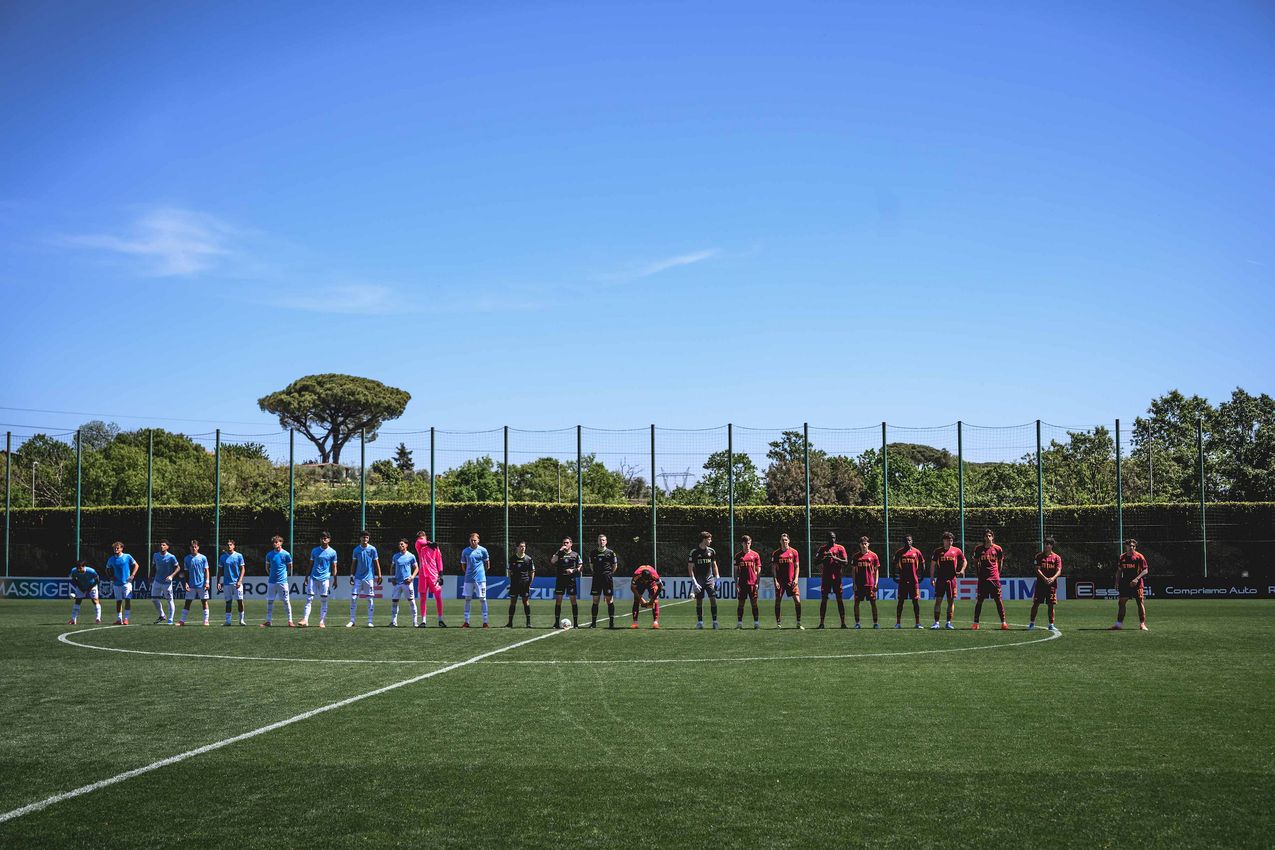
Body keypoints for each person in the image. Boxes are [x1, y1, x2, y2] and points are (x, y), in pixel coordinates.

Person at [971, 528, 1009, 631]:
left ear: (992, 537)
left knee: (998, 600)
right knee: (979, 601)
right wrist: (978, 573)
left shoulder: (997, 549)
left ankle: (1003, 622)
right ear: (984, 537)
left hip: (994, 579)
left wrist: (997, 573)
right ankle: (976, 623)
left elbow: (1000, 562)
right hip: (983, 579)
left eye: (989, 536)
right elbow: (975, 562)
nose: (988, 538)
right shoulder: (978, 549)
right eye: (986, 536)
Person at [300, 531, 338, 628]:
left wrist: (335, 579)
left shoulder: (333, 552)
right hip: (313, 577)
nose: (323, 539)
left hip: (325, 579)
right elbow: (310, 564)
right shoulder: (315, 551)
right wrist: (306, 577)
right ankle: (305, 619)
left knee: (324, 600)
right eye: (322, 537)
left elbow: (334, 566)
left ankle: (322, 621)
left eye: (326, 538)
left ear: (329, 539)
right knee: (309, 599)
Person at [1111, 538, 1150, 631]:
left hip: (1137, 583)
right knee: (1121, 603)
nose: (1132, 547)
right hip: (1125, 583)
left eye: (1133, 546)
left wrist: (1136, 579)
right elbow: (1119, 571)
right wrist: (1117, 582)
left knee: (1140, 602)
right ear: (1126, 547)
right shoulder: (1122, 557)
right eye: (1130, 546)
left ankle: (1142, 624)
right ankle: (1118, 624)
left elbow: (1145, 570)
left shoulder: (1140, 557)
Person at [930, 532, 966, 630]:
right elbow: (933, 565)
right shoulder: (938, 551)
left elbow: (964, 560)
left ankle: (948, 622)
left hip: (952, 580)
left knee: (951, 601)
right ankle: (936, 622)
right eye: (948, 540)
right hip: (941, 579)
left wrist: (962, 570)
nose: (950, 542)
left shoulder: (956, 550)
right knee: (938, 601)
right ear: (943, 540)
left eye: (951, 540)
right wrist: (932, 578)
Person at [815, 531, 849, 629]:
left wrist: (834, 557)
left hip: (837, 578)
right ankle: (821, 623)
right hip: (826, 578)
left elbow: (846, 562)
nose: (832, 539)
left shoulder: (840, 548)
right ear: (827, 538)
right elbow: (816, 562)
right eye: (830, 538)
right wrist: (824, 559)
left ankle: (843, 623)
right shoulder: (822, 549)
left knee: (839, 600)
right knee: (824, 600)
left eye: (833, 537)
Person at [1028, 537, 1062, 632]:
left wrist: (1052, 578)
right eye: (1045, 544)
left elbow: (1059, 571)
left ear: (1051, 546)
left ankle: (1051, 624)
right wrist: (1045, 578)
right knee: (1036, 604)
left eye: (1048, 544)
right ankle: (1031, 623)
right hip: (1040, 585)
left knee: (1051, 605)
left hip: (1052, 585)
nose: (1046, 546)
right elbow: (1037, 569)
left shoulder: (1057, 558)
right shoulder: (1038, 556)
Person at [348, 531, 381, 628]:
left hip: (369, 578)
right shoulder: (356, 550)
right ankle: (352, 620)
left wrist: (379, 575)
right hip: (358, 578)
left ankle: (370, 621)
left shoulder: (372, 549)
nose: (365, 539)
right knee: (353, 598)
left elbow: (376, 562)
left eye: (366, 537)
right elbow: (353, 563)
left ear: (368, 539)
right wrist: (351, 575)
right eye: (363, 537)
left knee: (370, 599)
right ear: (360, 538)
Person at [688, 531, 720, 630]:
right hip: (699, 581)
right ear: (704, 539)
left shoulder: (711, 551)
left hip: (710, 579)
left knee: (713, 600)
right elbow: (690, 567)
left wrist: (717, 577)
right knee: (699, 601)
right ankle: (700, 622)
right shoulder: (694, 552)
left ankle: (715, 622)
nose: (711, 541)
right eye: (709, 539)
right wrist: (694, 581)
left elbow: (714, 565)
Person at [771, 533, 803, 629]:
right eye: (782, 540)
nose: (784, 541)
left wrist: (796, 578)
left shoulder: (794, 552)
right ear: (780, 541)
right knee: (778, 601)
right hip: (780, 582)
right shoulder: (776, 554)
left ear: (788, 541)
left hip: (791, 581)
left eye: (786, 540)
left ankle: (798, 622)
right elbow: (773, 568)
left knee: (797, 601)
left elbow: (797, 567)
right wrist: (775, 581)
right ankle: (778, 623)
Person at [262, 535, 295, 628]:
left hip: (282, 582)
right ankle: (268, 621)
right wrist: (271, 575)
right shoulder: (269, 555)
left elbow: (290, 567)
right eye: (273, 542)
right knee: (270, 601)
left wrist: (285, 575)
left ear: (281, 542)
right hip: (272, 581)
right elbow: (267, 567)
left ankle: (290, 621)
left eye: (277, 542)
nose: (275, 544)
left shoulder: (286, 554)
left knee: (286, 601)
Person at [414, 531, 446, 628]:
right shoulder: (420, 546)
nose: (421, 539)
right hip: (423, 576)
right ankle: (423, 621)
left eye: (422, 537)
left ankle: (440, 619)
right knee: (423, 598)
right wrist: (428, 543)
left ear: (426, 537)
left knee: (438, 597)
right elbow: (419, 542)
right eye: (419, 538)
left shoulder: (435, 547)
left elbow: (439, 560)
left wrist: (441, 574)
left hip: (434, 575)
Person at [893, 535, 924, 629]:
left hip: (913, 581)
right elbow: (893, 564)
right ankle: (898, 623)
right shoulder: (899, 552)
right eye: (906, 540)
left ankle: (917, 623)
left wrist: (921, 576)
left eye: (909, 540)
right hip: (902, 581)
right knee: (900, 602)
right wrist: (894, 576)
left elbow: (922, 564)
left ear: (912, 541)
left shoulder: (917, 552)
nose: (908, 542)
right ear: (903, 542)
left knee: (915, 602)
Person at [177, 539, 210, 626]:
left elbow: (206, 570)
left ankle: (206, 620)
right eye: (192, 547)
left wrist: (207, 582)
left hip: (202, 584)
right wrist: (186, 583)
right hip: (191, 585)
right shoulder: (187, 558)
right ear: (190, 548)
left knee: (204, 602)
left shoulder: (203, 558)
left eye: (195, 547)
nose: (194, 548)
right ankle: (182, 621)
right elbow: (186, 572)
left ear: (198, 547)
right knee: (187, 602)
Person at [589, 533, 620, 629]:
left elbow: (615, 566)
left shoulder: (611, 553)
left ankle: (611, 623)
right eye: (600, 540)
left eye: (603, 540)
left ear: (606, 541)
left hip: (607, 578)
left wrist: (609, 573)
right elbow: (591, 566)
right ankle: (593, 623)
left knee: (609, 600)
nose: (601, 541)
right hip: (597, 578)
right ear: (597, 541)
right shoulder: (593, 553)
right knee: (595, 600)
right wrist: (597, 573)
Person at [460, 532, 490, 628]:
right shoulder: (465, 551)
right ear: (469, 540)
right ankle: (466, 622)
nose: (473, 542)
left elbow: (487, 564)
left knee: (483, 599)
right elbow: (463, 564)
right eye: (471, 540)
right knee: (467, 599)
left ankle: (485, 622)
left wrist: (481, 573)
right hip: (468, 579)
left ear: (478, 540)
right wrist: (468, 573)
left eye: (475, 540)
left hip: (480, 579)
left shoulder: (483, 550)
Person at [550, 536, 581, 629]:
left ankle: (575, 624)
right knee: (558, 600)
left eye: (567, 543)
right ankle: (556, 623)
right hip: (560, 580)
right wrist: (559, 550)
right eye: (564, 543)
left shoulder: (575, 554)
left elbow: (580, 567)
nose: (565, 544)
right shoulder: (559, 553)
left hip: (571, 580)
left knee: (573, 600)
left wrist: (573, 570)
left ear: (571, 544)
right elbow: (552, 561)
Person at [851, 536, 881, 628]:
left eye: (865, 543)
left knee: (873, 603)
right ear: (859, 545)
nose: (864, 545)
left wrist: (876, 583)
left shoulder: (873, 556)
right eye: (862, 544)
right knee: (856, 604)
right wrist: (854, 583)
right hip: (859, 585)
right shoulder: (856, 556)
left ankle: (875, 623)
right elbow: (853, 571)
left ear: (868, 544)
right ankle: (857, 623)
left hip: (870, 584)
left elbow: (876, 570)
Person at [388, 539, 419, 627]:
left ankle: (415, 622)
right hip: (397, 583)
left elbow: (416, 568)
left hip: (407, 583)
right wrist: (392, 577)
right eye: (399, 544)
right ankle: (394, 622)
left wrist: (412, 577)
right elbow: (392, 567)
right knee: (394, 602)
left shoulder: (411, 556)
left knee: (411, 602)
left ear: (406, 545)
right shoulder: (395, 556)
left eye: (402, 544)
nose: (400, 546)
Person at [106, 541, 138, 625]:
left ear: (121, 548)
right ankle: (119, 619)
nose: (116, 549)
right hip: (116, 584)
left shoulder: (127, 556)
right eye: (114, 548)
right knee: (118, 601)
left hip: (126, 583)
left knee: (127, 600)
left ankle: (126, 619)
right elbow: (107, 568)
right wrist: (110, 576)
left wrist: (132, 575)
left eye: (117, 548)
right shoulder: (111, 559)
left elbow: (136, 565)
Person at [734, 535, 762, 630]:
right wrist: (736, 583)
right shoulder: (738, 556)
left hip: (753, 583)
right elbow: (736, 571)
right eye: (745, 543)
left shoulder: (755, 555)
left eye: (749, 543)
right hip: (742, 583)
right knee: (741, 603)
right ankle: (739, 623)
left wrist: (757, 582)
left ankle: (756, 623)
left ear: (751, 543)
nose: (747, 545)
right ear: (742, 544)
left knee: (754, 603)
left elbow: (758, 570)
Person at [217, 539, 247, 626]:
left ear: (233, 546)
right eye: (227, 545)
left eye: (230, 545)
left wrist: (240, 580)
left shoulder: (239, 556)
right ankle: (228, 621)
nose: (229, 546)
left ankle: (241, 620)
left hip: (237, 583)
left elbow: (242, 569)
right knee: (228, 602)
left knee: (240, 601)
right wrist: (218, 582)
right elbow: (219, 570)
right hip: (226, 583)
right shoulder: (222, 557)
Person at [507, 541, 536, 628]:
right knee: (513, 602)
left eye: (524, 546)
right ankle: (510, 623)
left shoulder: (528, 559)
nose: (522, 548)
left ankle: (528, 623)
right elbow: (509, 571)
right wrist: (511, 581)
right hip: (515, 583)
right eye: (521, 546)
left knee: (525, 602)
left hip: (525, 583)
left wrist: (529, 583)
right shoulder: (512, 558)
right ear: (517, 548)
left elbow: (532, 572)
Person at [150, 539, 179, 625]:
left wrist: (171, 576)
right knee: (154, 599)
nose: (161, 546)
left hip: (167, 582)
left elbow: (178, 567)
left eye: (163, 545)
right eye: (160, 545)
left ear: (167, 547)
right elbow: (153, 566)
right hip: (157, 581)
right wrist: (150, 576)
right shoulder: (155, 555)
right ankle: (162, 615)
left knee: (170, 600)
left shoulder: (171, 557)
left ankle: (170, 619)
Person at [68, 559, 101, 625]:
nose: (78, 569)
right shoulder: (74, 571)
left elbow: (97, 580)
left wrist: (90, 588)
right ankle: (73, 619)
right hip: (81, 586)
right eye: (77, 568)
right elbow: (74, 579)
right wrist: (80, 587)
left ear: (84, 566)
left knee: (95, 601)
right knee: (78, 601)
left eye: (80, 568)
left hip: (92, 586)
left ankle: (98, 618)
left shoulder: (91, 571)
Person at [630, 564, 662, 629]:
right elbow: (633, 588)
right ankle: (635, 622)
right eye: (645, 580)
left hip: (651, 583)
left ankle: (655, 622)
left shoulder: (654, 575)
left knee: (655, 600)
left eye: (647, 579)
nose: (646, 581)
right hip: (640, 583)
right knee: (636, 600)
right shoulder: (636, 575)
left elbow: (660, 587)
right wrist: (641, 599)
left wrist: (653, 598)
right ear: (641, 576)